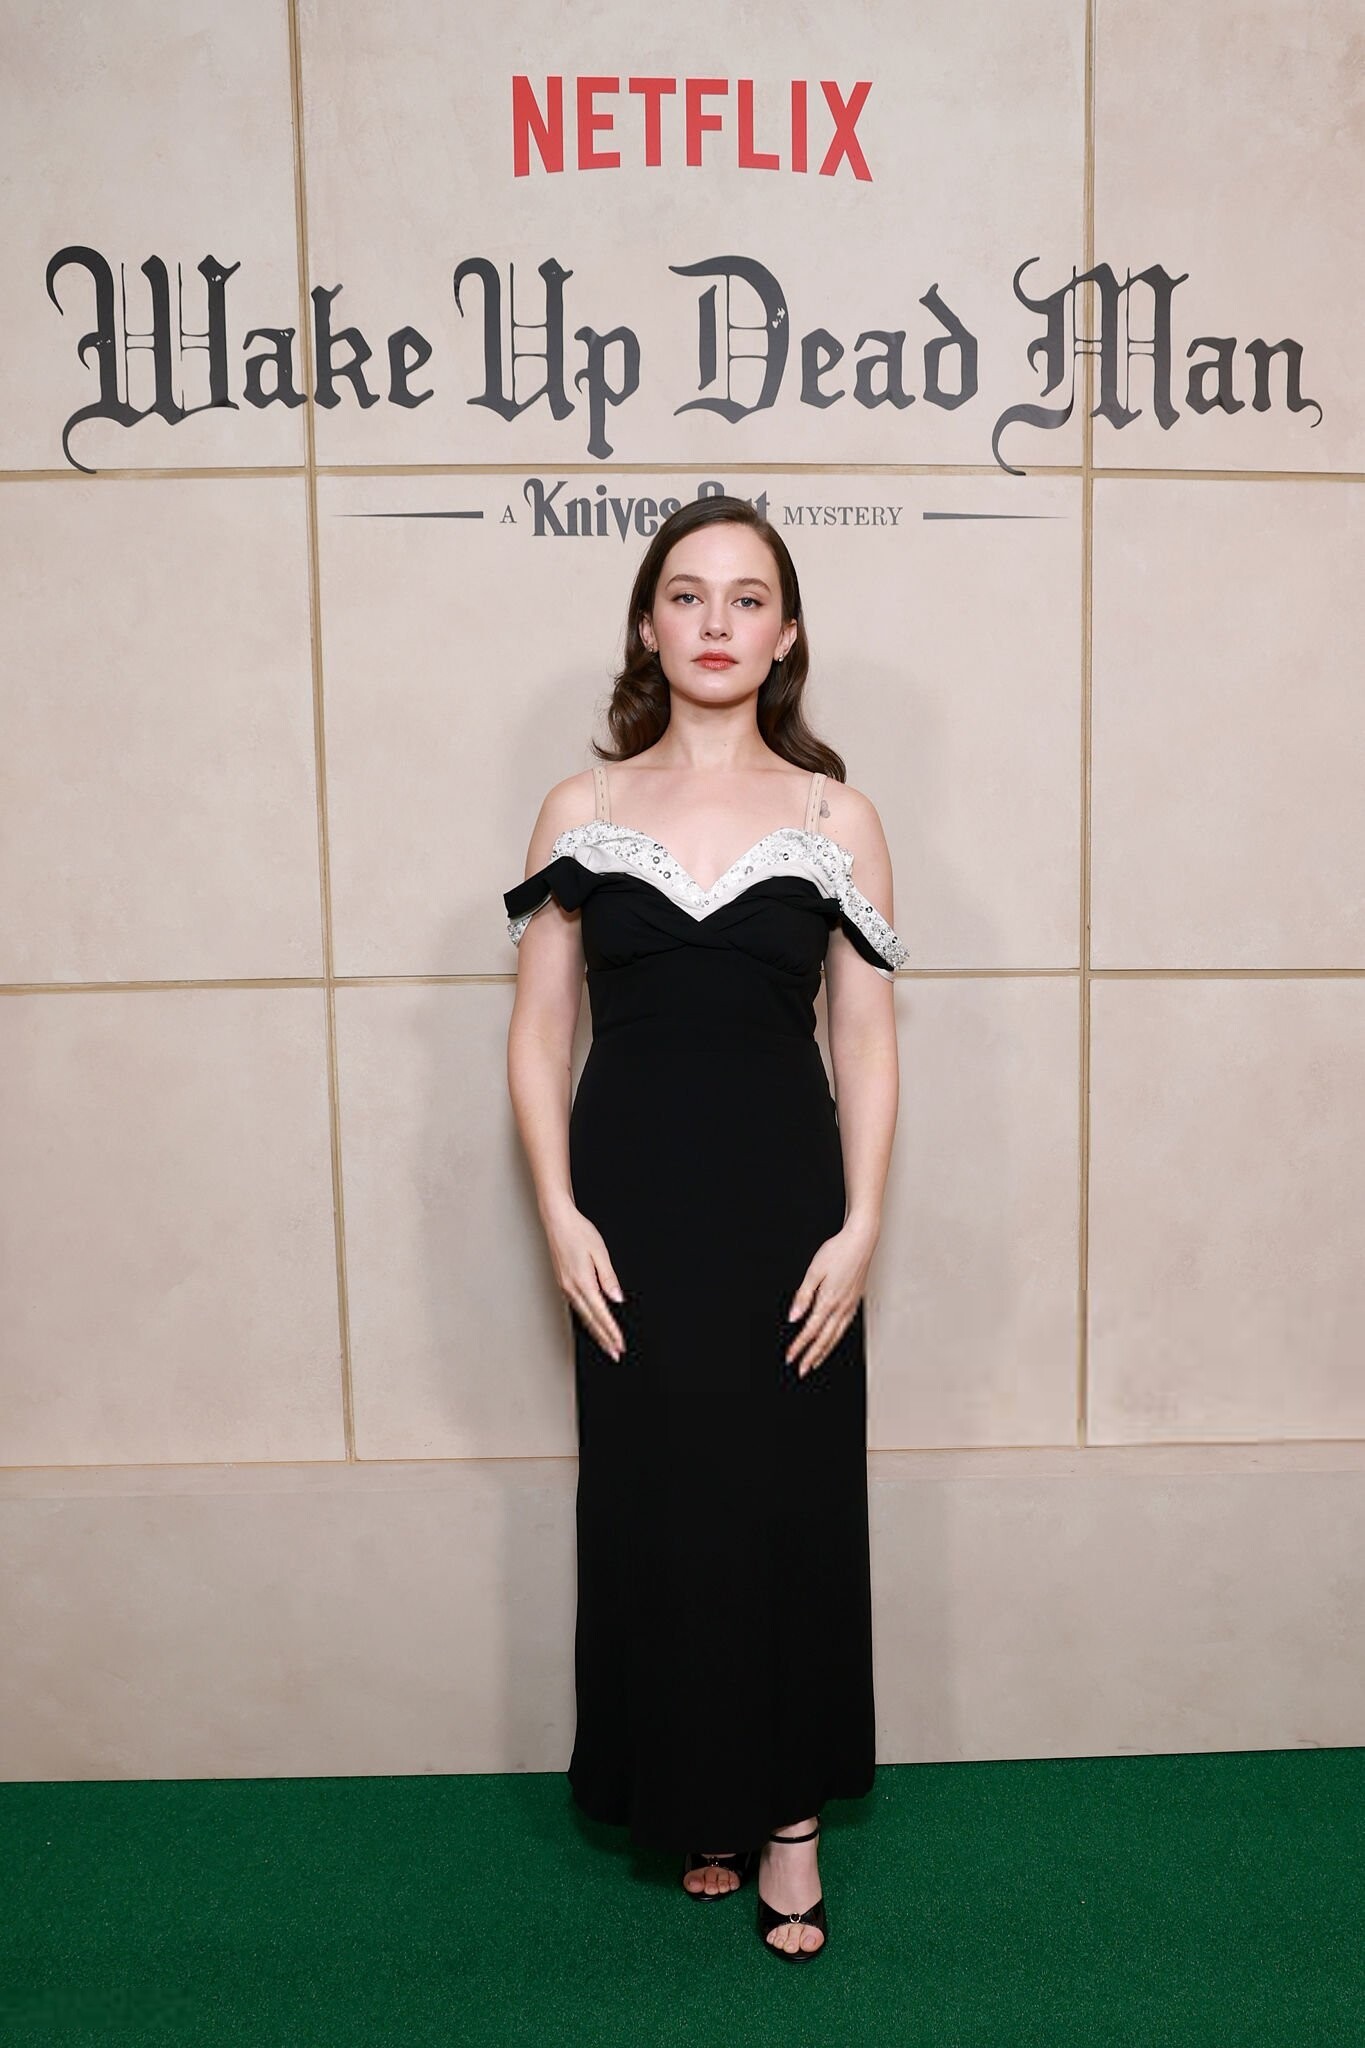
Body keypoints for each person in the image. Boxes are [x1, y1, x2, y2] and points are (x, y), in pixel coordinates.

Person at [502, 493, 906, 1962]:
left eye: (747, 598)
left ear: (785, 635)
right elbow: (538, 1031)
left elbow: (865, 1037)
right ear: (648, 624)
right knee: (657, 1505)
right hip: (628, 1215)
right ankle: (697, 1801)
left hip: (786, 1214)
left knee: (786, 1504)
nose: (716, 622)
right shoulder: (582, 811)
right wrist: (557, 1210)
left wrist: (861, 1226)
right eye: (687, 594)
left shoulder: (834, 818)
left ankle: (788, 1820)